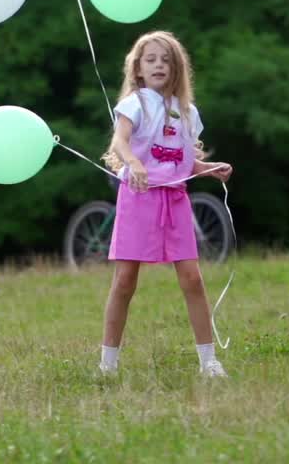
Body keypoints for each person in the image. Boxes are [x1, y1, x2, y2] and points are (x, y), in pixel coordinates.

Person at [98, 30, 233, 377]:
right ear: (138, 69)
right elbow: (119, 142)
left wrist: (208, 169)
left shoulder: (186, 112)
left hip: (175, 200)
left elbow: (182, 161)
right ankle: (107, 364)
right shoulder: (134, 103)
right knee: (125, 280)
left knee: (192, 279)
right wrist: (135, 163)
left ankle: (209, 361)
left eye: (166, 60)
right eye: (151, 59)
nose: (159, 65)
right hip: (139, 198)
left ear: (177, 69)